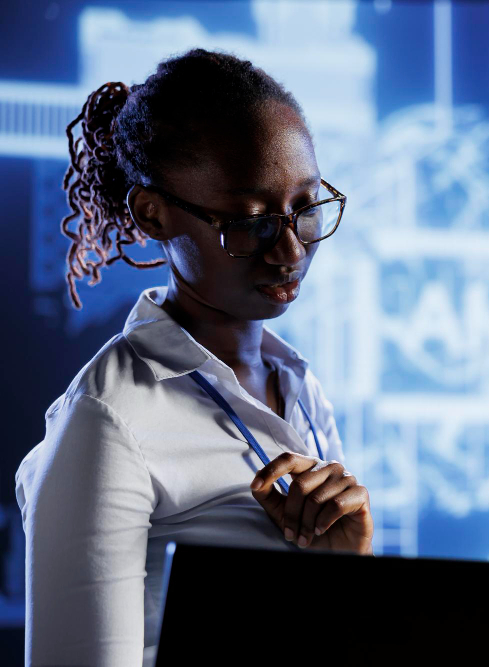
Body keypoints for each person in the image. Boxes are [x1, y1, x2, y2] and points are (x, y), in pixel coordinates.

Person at [15, 49, 372, 667]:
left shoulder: (299, 388)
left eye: (307, 207)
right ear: (153, 214)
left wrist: (346, 571)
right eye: (249, 220)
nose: (289, 249)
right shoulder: (107, 420)